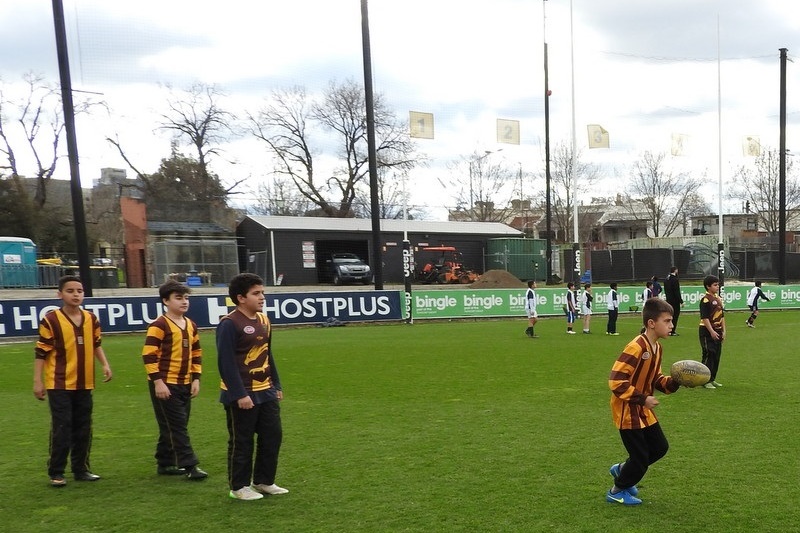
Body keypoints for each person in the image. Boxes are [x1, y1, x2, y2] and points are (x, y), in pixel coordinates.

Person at [33, 275, 113, 488]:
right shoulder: (51, 320)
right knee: (63, 426)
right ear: (60, 294)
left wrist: (104, 364)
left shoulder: (91, 319)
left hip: (85, 382)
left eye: (79, 290)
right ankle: (56, 471)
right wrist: (37, 381)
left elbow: (96, 343)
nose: (76, 294)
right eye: (70, 291)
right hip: (59, 383)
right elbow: (41, 352)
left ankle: (81, 468)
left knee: (84, 427)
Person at [217, 273, 288, 501]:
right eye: (256, 293)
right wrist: (239, 394)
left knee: (272, 436)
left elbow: (268, 355)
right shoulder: (229, 324)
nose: (262, 297)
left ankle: (264, 481)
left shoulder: (264, 321)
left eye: (262, 293)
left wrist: (275, 384)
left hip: (265, 390)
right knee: (242, 440)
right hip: (242, 394)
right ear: (240, 298)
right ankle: (238, 487)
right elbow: (225, 363)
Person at [606, 298, 681, 505]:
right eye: (667, 321)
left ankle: (622, 470)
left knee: (659, 448)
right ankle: (616, 490)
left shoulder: (657, 348)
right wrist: (643, 398)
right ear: (651, 323)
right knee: (639, 459)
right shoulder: (636, 347)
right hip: (627, 409)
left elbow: (656, 379)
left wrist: (676, 382)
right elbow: (615, 380)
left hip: (642, 409)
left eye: (671, 320)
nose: (671, 325)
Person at [141, 280, 207, 480]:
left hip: (184, 383)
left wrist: (196, 378)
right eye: (178, 298)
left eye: (186, 298)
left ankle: (165, 462)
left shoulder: (190, 325)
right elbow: (148, 355)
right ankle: (190, 466)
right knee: (178, 426)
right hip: (165, 384)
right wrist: (158, 382)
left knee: (174, 424)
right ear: (165, 301)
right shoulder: (159, 325)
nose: (184, 302)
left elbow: (196, 353)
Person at [699, 275, 725, 389]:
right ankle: (704, 380)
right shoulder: (705, 300)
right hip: (707, 330)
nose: (717, 286)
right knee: (709, 354)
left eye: (718, 284)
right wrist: (711, 331)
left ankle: (712, 378)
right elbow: (705, 318)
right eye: (715, 285)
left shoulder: (718, 299)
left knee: (716, 355)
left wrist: (724, 331)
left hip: (718, 330)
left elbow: (722, 316)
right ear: (708, 286)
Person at [664, 267, 683, 336]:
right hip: (675, 301)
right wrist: (681, 301)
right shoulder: (675, 279)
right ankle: (672, 331)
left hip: (668, 300)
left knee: (669, 316)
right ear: (675, 271)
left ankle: (667, 330)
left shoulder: (666, 279)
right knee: (675, 316)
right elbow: (676, 291)